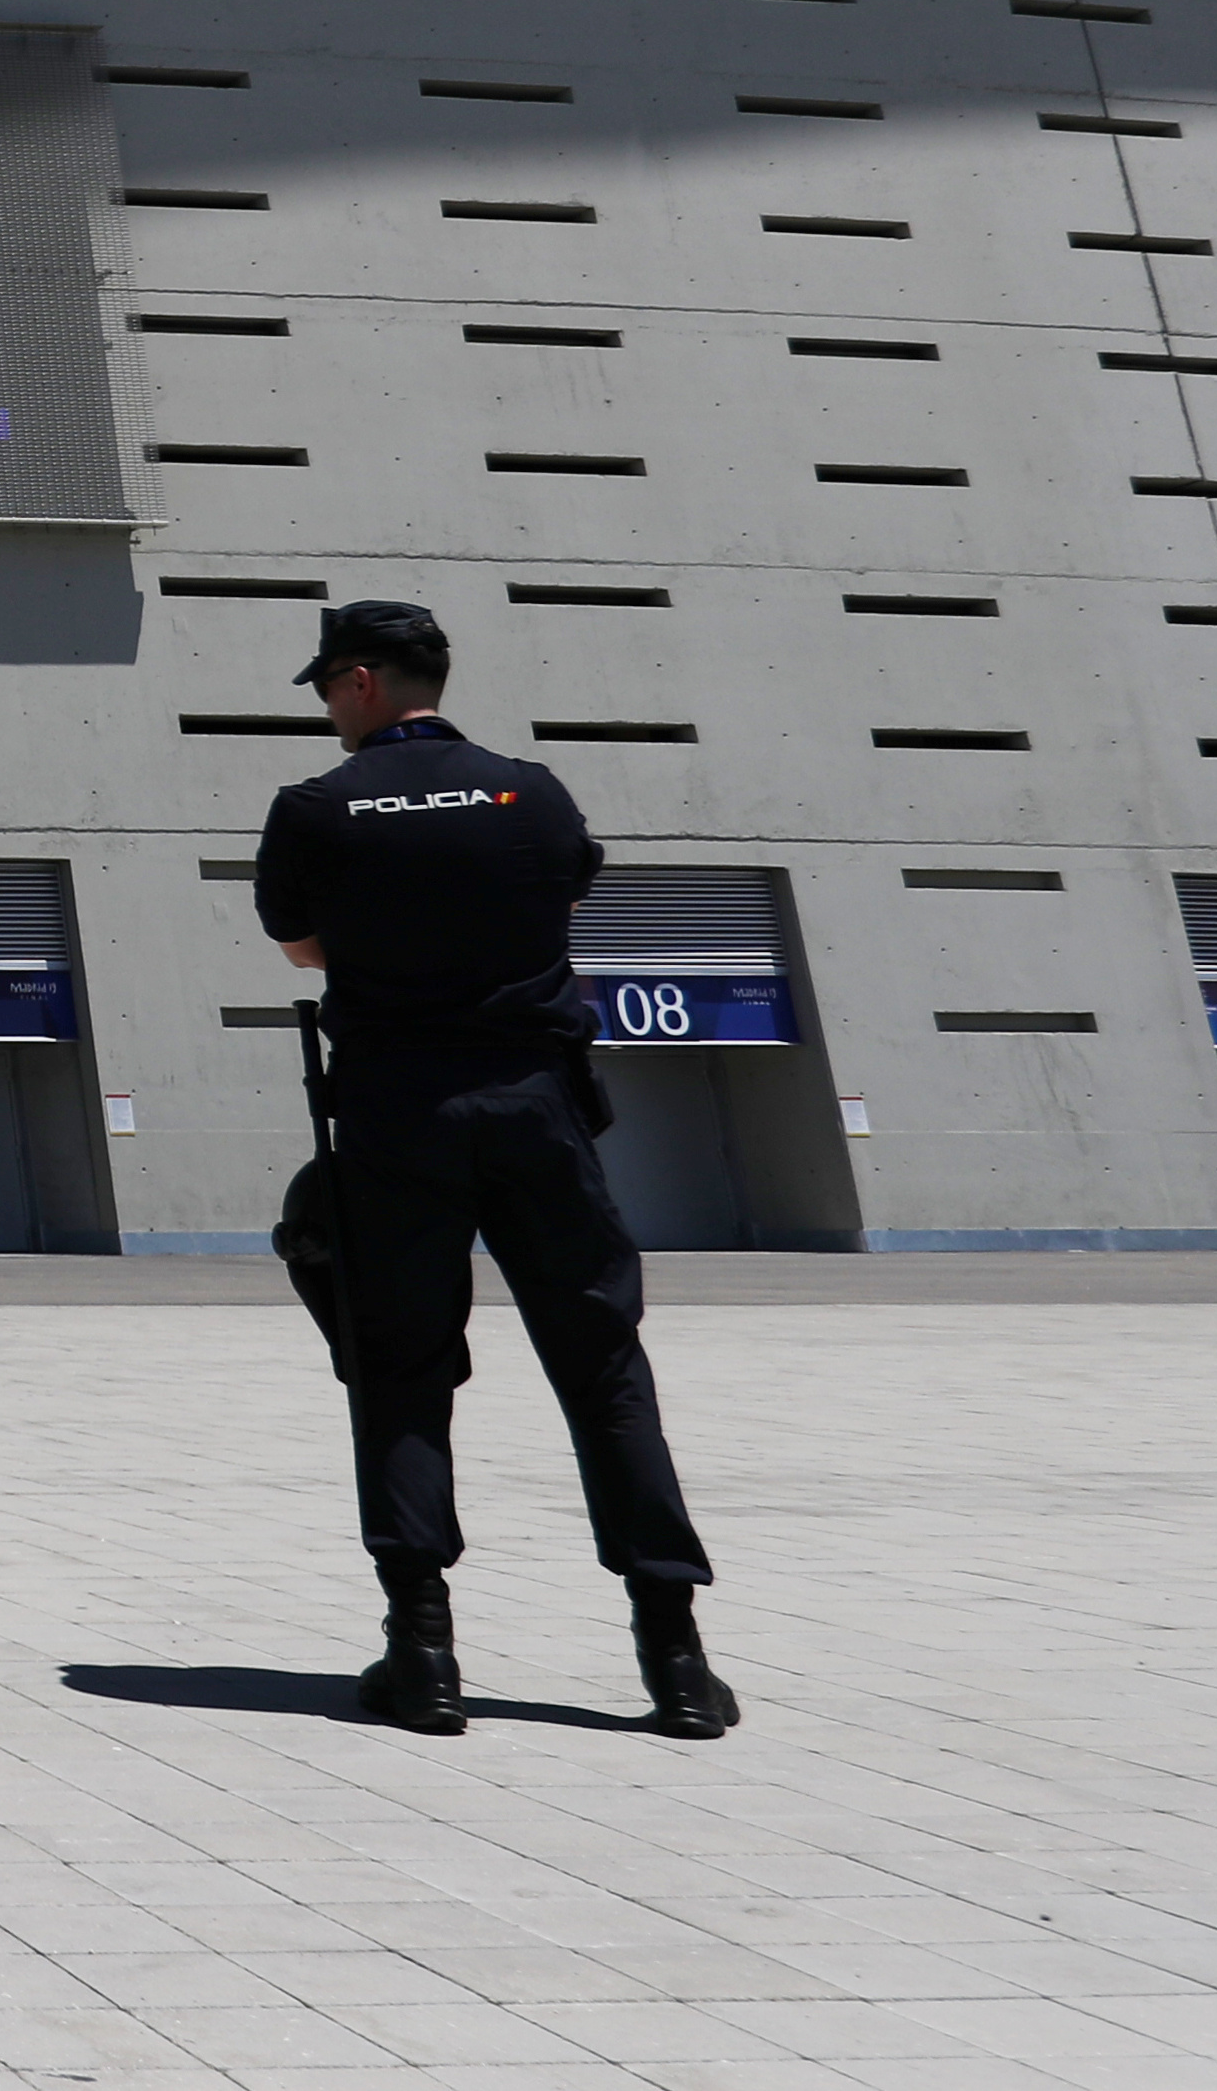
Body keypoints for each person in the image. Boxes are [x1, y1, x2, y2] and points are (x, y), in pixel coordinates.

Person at [255, 597, 738, 1740]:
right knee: (604, 1369)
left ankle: (422, 1652)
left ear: (364, 681)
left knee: (400, 1371)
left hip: (399, 1111)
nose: (328, 707)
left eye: (329, 686)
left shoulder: (317, 808)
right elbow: (561, 906)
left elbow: (302, 946)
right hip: (538, 1110)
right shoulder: (536, 791)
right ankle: (673, 1658)